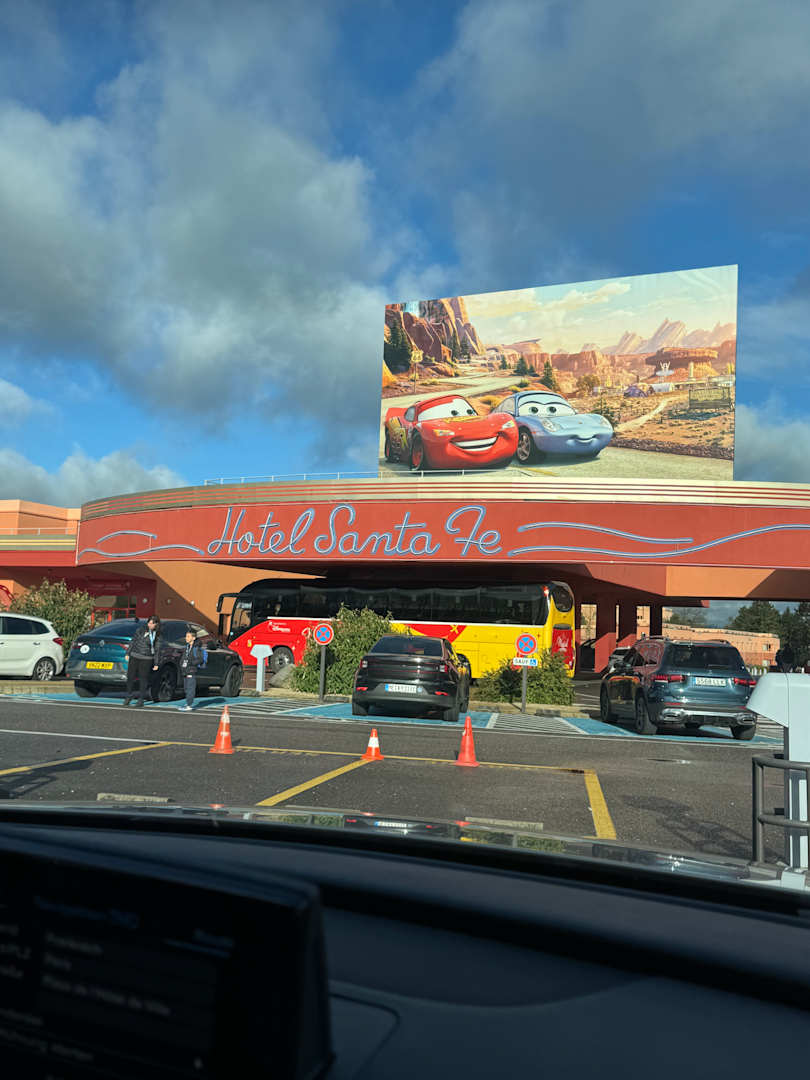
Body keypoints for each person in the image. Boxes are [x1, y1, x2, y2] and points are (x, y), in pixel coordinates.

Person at [124, 615, 163, 706]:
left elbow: (157, 650)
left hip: (146, 658)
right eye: (149, 623)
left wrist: (156, 663)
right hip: (135, 655)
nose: (150, 625)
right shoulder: (140, 630)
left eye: (152, 623)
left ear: (156, 624)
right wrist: (128, 653)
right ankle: (129, 695)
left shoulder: (158, 635)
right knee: (130, 677)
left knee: (143, 678)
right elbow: (133, 641)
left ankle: (141, 698)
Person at [178, 627, 206, 712]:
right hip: (185, 671)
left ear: (193, 638)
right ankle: (188, 702)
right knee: (186, 688)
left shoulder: (196, 648)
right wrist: (182, 664)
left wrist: (191, 663)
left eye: (188, 636)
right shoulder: (187, 647)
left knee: (190, 688)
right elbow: (184, 658)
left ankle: (189, 705)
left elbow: (200, 659)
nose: (186, 638)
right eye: (186, 636)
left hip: (191, 670)